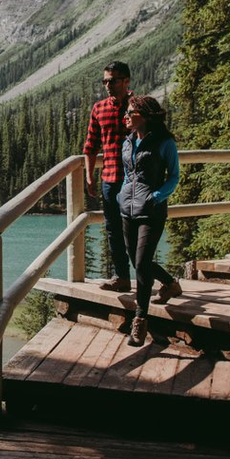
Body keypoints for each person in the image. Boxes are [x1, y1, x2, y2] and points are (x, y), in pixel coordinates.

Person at [83, 62, 180, 299]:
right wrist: (89, 176)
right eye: (105, 81)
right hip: (110, 178)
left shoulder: (139, 106)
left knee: (138, 242)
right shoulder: (99, 108)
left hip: (140, 183)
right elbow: (90, 144)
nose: (108, 85)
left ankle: (158, 283)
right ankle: (121, 277)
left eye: (113, 80)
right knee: (113, 231)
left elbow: (158, 137)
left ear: (126, 81)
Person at [118, 95, 180, 346]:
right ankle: (170, 283)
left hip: (151, 211)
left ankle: (140, 321)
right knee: (136, 261)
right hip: (127, 210)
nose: (126, 117)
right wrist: (123, 196)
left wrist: (156, 196)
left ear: (145, 115)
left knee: (142, 264)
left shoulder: (164, 143)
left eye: (130, 113)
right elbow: (127, 175)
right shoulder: (128, 142)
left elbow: (173, 176)